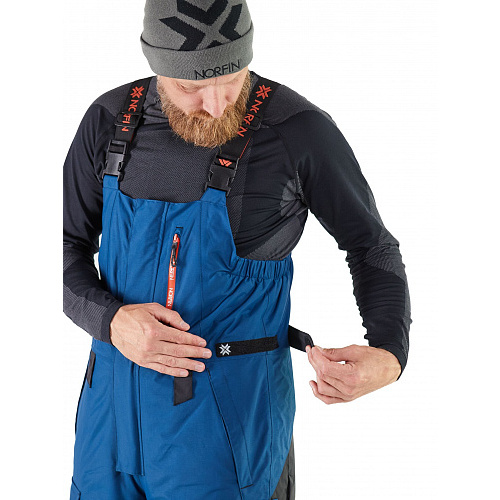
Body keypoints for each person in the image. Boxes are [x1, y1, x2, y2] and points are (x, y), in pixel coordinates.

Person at [63, 1, 411, 498]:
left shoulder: (298, 131)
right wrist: (110, 320)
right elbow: (60, 247)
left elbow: (371, 245)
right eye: (190, 86)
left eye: (231, 78)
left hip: (227, 432)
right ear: (156, 65)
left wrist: (390, 353)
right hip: (106, 419)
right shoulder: (108, 120)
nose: (216, 104)